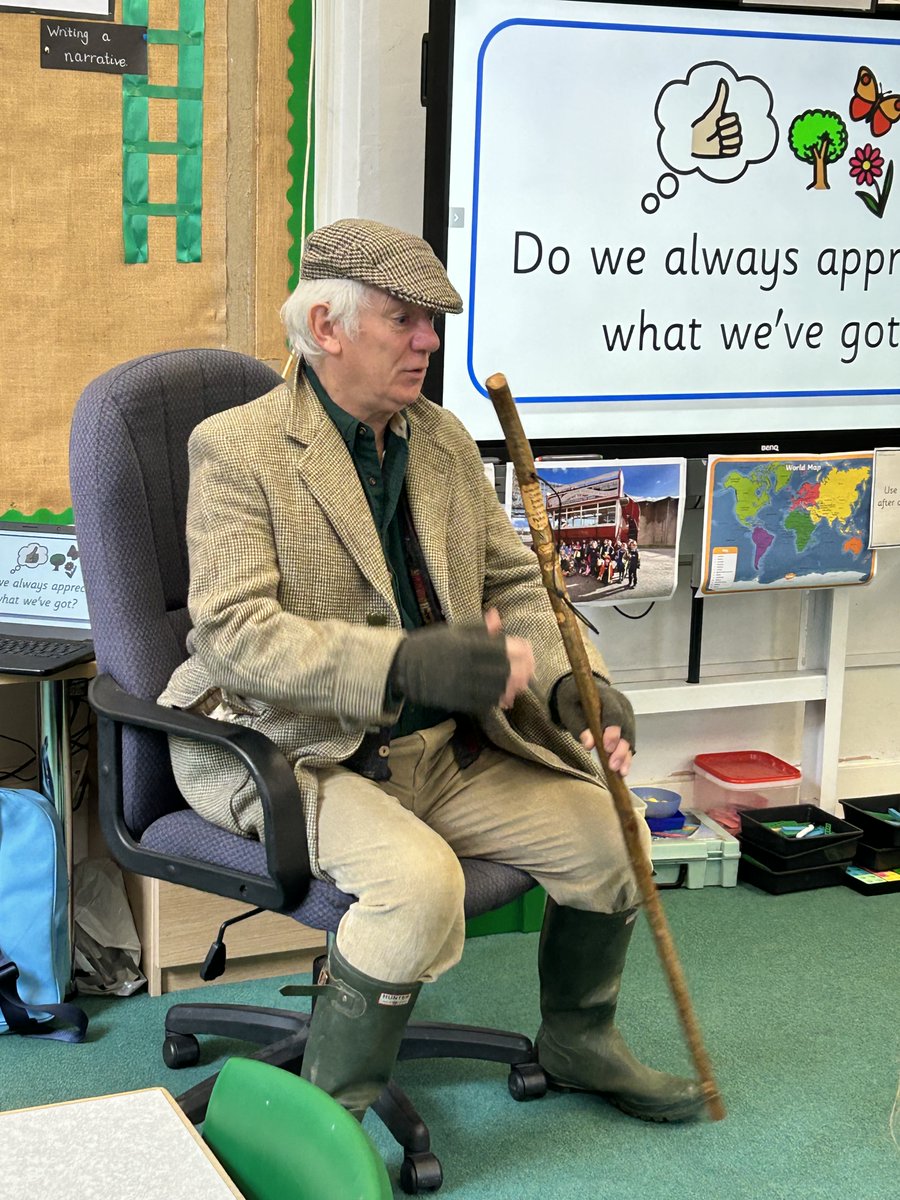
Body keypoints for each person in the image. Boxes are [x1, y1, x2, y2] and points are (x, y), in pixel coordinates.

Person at [158, 218, 702, 1126]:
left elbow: (513, 581)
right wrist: (406, 663)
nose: (430, 341)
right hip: (297, 751)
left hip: (444, 753)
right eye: (405, 319)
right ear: (326, 328)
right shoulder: (237, 449)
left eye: (433, 321)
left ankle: (580, 1041)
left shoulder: (440, 439)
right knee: (421, 888)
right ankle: (326, 1121)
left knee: (616, 838)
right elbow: (234, 635)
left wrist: (578, 685)